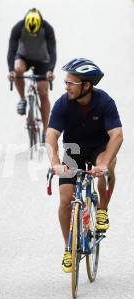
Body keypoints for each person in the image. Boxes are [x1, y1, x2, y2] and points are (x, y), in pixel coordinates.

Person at [45, 58, 123, 273]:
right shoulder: (63, 103)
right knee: (65, 199)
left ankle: (102, 211)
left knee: (105, 167)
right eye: (66, 82)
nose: (66, 86)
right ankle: (69, 247)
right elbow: (51, 136)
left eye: (71, 83)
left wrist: (105, 164)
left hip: (99, 147)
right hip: (74, 150)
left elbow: (117, 135)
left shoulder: (105, 101)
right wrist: (55, 163)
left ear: (86, 85)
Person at [7, 8, 56, 140]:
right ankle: (23, 99)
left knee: (43, 92)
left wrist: (50, 70)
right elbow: (11, 51)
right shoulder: (18, 28)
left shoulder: (47, 29)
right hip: (24, 56)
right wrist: (11, 70)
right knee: (18, 70)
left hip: (42, 60)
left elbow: (52, 52)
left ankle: (46, 130)